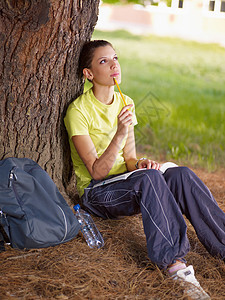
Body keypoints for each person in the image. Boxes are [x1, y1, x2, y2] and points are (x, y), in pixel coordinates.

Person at [64, 40, 225, 299]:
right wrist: (120, 133)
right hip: (96, 194)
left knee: (179, 175)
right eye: (104, 61)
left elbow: (129, 159)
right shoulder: (78, 111)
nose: (114, 64)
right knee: (148, 178)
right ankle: (175, 265)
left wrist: (140, 164)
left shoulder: (125, 102)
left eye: (115, 58)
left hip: (129, 181)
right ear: (89, 74)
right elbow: (96, 172)